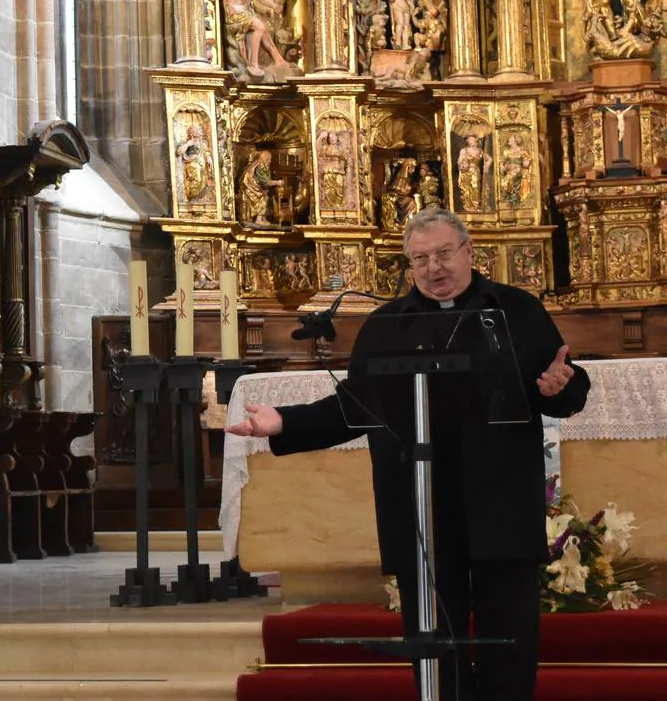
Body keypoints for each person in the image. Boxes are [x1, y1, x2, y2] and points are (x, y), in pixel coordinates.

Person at [227, 207, 590, 701]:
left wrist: (559, 388)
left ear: (469, 252)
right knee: (436, 648)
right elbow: (354, 407)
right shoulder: (385, 327)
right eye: (420, 259)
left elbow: (567, 379)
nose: (433, 268)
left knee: (512, 644)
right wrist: (285, 422)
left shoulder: (516, 310)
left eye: (443, 253)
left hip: (500, 501)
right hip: (421, 506)